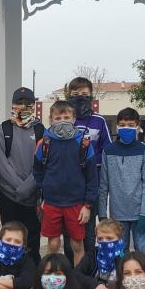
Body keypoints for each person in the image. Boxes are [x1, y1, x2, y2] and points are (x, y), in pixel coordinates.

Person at [32, 100, 97, 268]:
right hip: (52, 203)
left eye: (66, 118)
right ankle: (50, 277)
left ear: (74, 119)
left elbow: (92, 177)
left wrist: (87, 205)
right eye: (58, 118)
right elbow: (37, 170)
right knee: (53, 244)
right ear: (51, 120)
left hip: (76, 203)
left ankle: (78, 280)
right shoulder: (44, 143)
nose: (62, 121)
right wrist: (45, 190)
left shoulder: (84, 144)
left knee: (77, 244)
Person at [0, 87, 43, 263]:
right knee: (10, 240)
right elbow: (1, 163)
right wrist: (19, 187)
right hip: (9, 196)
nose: (23, 106)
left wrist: (28, 187)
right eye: (19, 103)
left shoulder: (40, 130)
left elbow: (42, 163)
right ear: (13, 104)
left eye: (27, 103)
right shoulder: (3, 130)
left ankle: (32, 274)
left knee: (32, 241)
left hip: (33, 197)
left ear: (33, 105)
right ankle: (7, 272)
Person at [65, 76, 113, 259]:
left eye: (84, 94)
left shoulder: (99, 121)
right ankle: (70, 266)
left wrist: (88, 160)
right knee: (69, 228)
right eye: (75, 94)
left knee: (89, 228)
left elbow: (107, 150)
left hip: (92, 181)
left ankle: (90, 265)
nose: (80, 97)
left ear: (91, 96)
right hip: (69, 184)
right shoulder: (65, 120)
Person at [98, 107, 145, 255]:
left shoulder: (144, 151)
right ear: (117, 126)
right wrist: (102, 213)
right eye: (122, 125)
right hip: (117, 215)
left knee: (142, 253)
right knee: (119, 254)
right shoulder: (108, 151)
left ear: (137, 127)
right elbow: (103, 184)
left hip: (140, 214)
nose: (126, 128)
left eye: (130, 125)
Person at [77, 219, 126, 289]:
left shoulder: (127, 258)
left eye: (109, 238)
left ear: (119, 239)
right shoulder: (91, 255)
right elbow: (76, 274)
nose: (104, 242)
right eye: (100, 238)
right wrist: (94, 285)